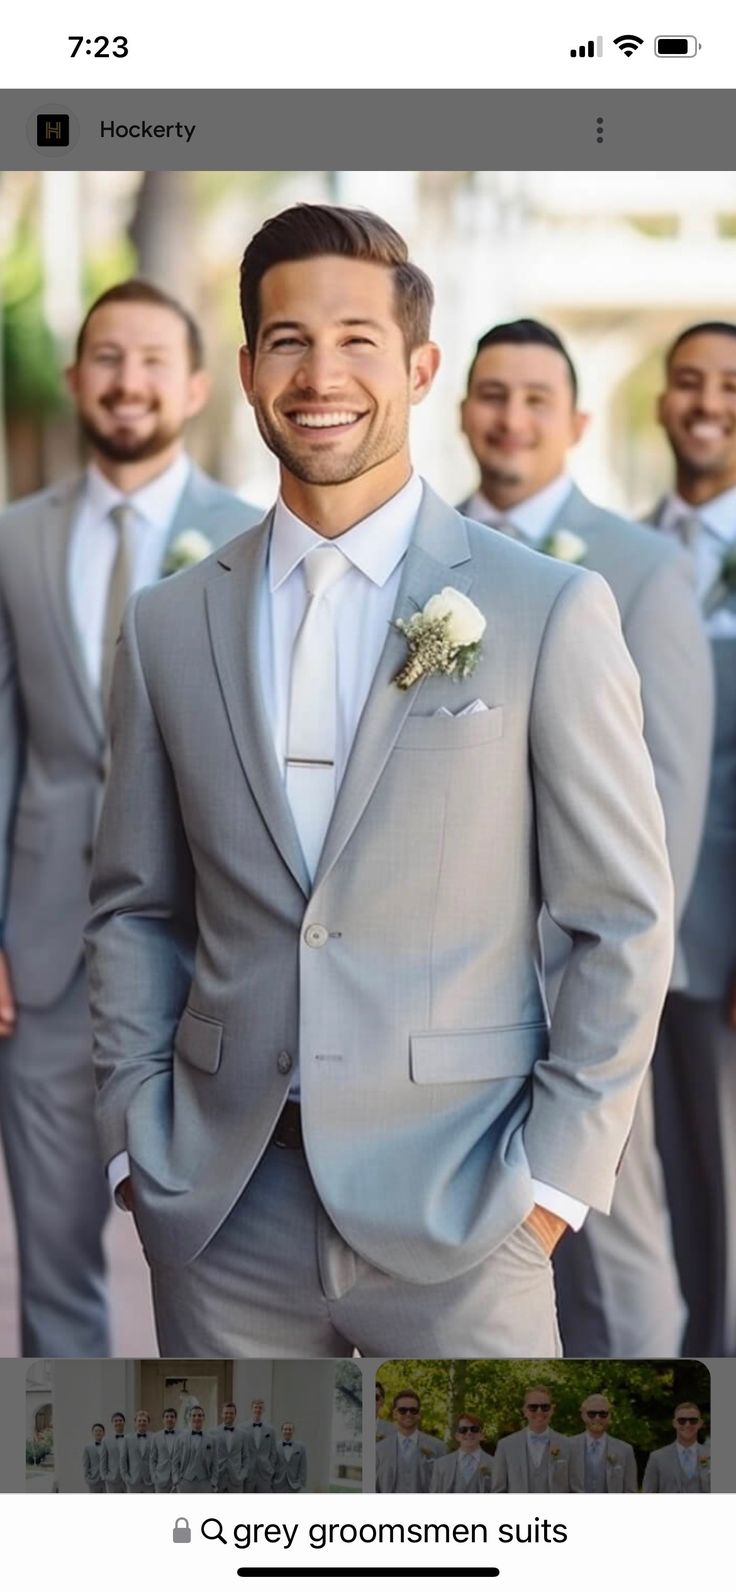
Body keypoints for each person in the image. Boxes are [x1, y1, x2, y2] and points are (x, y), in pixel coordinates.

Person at [86, 202, 673, 1358]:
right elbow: (134, 907)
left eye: (357, 338)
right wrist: (133, 1145)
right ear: (249, 369)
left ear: (417, 366)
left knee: (487, 1529)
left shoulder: (543, 609)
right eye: (289, 340)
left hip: (467, 1208)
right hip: (220, 1206)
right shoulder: (166, 624)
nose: (322, 374)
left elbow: (619, 918)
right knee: (230, 1530)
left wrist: (552, 1182)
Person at [0, 279, 260, 1358]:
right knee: (53, 1253)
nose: (128, 379)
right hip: (47, 953)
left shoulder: (254, 539)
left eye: (154, 359)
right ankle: (67, 1505)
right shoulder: (13, 538)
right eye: (107, 356)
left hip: (214, 949)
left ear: (197, 386)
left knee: (228, 1259)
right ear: (75, 379)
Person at [459, 318, 712, 1357]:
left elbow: (669, 790)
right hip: (454, 978)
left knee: (615, 1241)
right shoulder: (422, 556)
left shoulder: (643, 568)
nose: (510, 418)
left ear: (574, 420)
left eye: (532, 399)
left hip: (584, 974)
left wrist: (615, 976)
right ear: (460, 405)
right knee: (478, 1253)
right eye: (491, 394)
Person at [648, 320, 736, 1356]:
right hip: (613, 938)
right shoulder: (615, 547)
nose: (707, 402)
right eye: (687, 382)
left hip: (720, 948)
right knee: (637, 1195)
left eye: (728, 383)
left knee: (723, 1201)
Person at [491, 1387, 570, 1493]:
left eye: (545, 1407)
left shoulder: (568, 1444)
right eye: (533, 1407)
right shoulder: (505, 1446)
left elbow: (575, 1490)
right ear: (524, 1411)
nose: (539, 1411)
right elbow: (498, 1491)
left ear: (552, 1410)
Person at [375, 1390, 445, 1493]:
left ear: (419, 1414)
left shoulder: (438, 1447)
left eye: (413, 1410)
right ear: (395, 1414)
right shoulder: (379, 1450)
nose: (408, 1414)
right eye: (403, 1410)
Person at [568, 1395, 637, 1493]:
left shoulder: (625, 1450)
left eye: (603, 1414)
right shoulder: (567, 1447)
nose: (597, 1418)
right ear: (583, 1415)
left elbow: (630, 1491)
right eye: (592, 1414)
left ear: (609, 1416)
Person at [642, 1403, 711, 1492]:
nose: (687, 1425)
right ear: (674, 1423)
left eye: (693, 1420)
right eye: (682, 1421)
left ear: (700, 1423)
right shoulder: (657, 1458)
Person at [430, 1412, 493, 1493]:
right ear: (457, 1436)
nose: (469, 1433)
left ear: (482, 1435)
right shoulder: (440, 1465)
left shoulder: (495, 1465)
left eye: (474, 1429)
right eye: (463, 1430)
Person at [172, 1405, 215, 1492]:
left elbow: (215, 1462)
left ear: (204, 1418)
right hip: (185, 1481)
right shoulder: (180, 1439)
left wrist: (213, 1482)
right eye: (194, 1415)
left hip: (205, 1482)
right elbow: (175, 1462)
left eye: (200, 1415)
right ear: (189, 1418)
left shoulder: (212, 1439)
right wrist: (176, 1481)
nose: (197, 1418)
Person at [211, 1401, 252, 1492]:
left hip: (236, 1480)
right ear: (222, 1414)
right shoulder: (212, 1433)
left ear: (235, 1415)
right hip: (218, 1480)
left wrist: (242, 1475)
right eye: (226, 1413)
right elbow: (209, 1456)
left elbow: (246, 1457)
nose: (228, 1415)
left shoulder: (243, 1434)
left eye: (231, 1413)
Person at [242, 1398, 279, 1493]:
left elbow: (273, 1452)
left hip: (265, 1472)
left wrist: (270, 1469)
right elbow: (240, 1450)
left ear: (263, 1410)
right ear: (251, 1409)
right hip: (248, 1473)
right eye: (256, 1407)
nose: (258, 1410)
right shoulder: (242, 1428)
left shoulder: (271, 1430)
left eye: (260, 1407)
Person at [120, 1409, 154, 1493]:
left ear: (148, 1422)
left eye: (144, 1421)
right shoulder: (127, 1439)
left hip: (150, 1482)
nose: (142, 1423)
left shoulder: (154, 1438)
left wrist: (154, 1477)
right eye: (139, 1421)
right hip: (133, 1482)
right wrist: (126, 1478)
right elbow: (123, 1459)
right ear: (135, 1422)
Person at [149, 1408, 179, 1493]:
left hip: (178, 1479)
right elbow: (152, 1459)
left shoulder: (182, 1436)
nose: (169, 1419)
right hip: (160, 1479)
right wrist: (154, 1477)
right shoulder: (155, 1437)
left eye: (172, 1417)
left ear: (175, 1419)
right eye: (167, 1417)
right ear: (163, 1419)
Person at [272, 1421, 308, 1491]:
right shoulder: (275, 1446)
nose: (287, 1431)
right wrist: (272, 1481)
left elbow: (303, 1467)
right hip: (277, 1484)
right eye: (285, 1429)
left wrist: (300, 1483)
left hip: (294, 1485)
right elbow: (271, 1464)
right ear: (282, 1431)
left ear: (293, 1431)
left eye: (290, 1429)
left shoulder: (301, 1447)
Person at [99, 1411, 127, 1493]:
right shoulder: (106, 1440)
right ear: (112, 1423)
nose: (118, 1422)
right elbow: (103, 1460)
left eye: (120, 1420)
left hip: (127, 1480)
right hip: (112, 1480)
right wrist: (105, 1477)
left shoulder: (129, 1439)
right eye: (116, 1421)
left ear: (124, 1422)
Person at [82, 1424, 106, 1493]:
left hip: (106, 1480)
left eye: (100, 1431)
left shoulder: (108, 1445)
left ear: (104, 1433)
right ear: (92, 1433)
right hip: (94, 1480)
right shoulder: (88, 1447)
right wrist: (88, 1479)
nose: (98, 1432)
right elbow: (85, 1464)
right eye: (96, 1431)